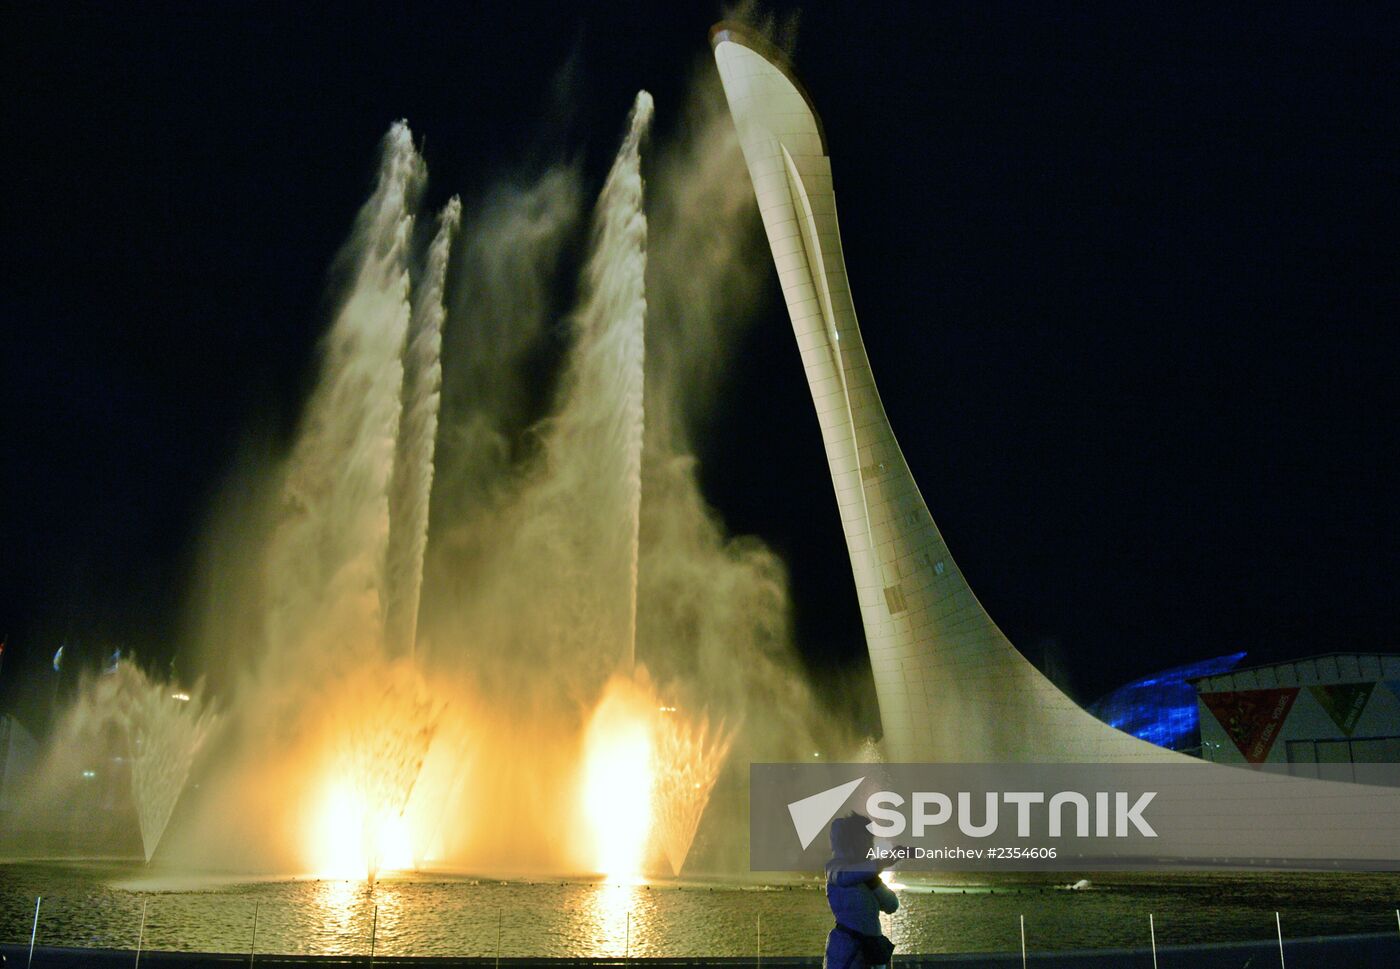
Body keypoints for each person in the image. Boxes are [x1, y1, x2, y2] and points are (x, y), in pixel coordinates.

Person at [823, 813, 899, 969]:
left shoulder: (867, 874)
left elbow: (892, 905)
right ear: (851, 840)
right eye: (865, 838)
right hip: (847, 953)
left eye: (870, 839)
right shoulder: (835, 868)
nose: (870, 845)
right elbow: (844, 876)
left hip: (870, 953)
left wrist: (875, 879)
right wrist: (880, 864)